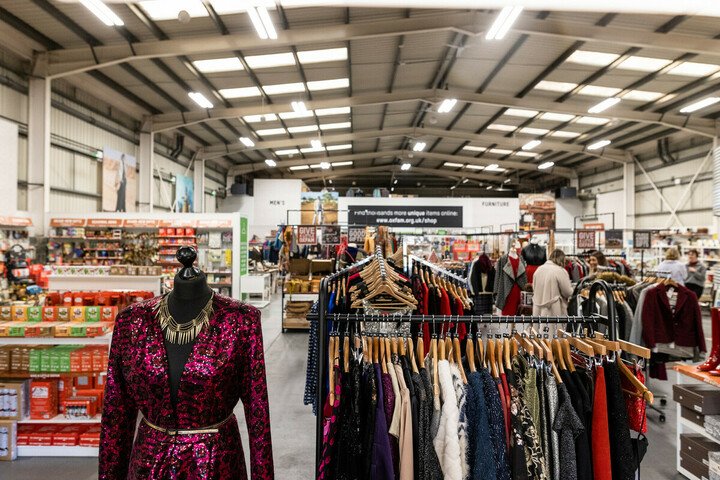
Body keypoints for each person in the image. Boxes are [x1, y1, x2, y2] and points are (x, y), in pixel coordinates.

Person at [532, 249, 574, 316]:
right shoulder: (560, 271)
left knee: (539, 325)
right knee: (554, 326)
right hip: (554, 310)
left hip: (538, 310)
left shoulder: (539, 269)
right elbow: (567, 292)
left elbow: (534, 288)